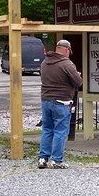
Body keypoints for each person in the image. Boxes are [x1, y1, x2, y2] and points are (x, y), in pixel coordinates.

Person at [38, 39, 83, 169]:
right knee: (60, 131)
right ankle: (56, 160)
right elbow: (78, 82)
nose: (69, 53)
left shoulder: (45, 62)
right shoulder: (67, 64)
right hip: (61, 102)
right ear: (66, 50)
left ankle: (43, 159)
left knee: (47, 129)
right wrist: (78, 75)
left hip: (46, 100)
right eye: (69, 51)